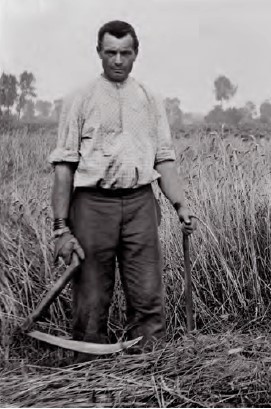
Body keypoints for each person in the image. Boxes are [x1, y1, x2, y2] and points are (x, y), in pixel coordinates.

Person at [48, 20, 197, 356]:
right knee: (91, 293)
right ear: (99, 52)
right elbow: (64, 165)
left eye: (125, 53)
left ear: (136, 54)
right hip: (91, 205)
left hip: (140, 203)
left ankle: (148, 366)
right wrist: (61, 227)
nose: (117, 60)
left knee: (147, 291)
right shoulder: (80, 97)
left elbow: (165, 159)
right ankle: (87, 369)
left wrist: (180, 204)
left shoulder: (149, 98)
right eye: (111, 53)